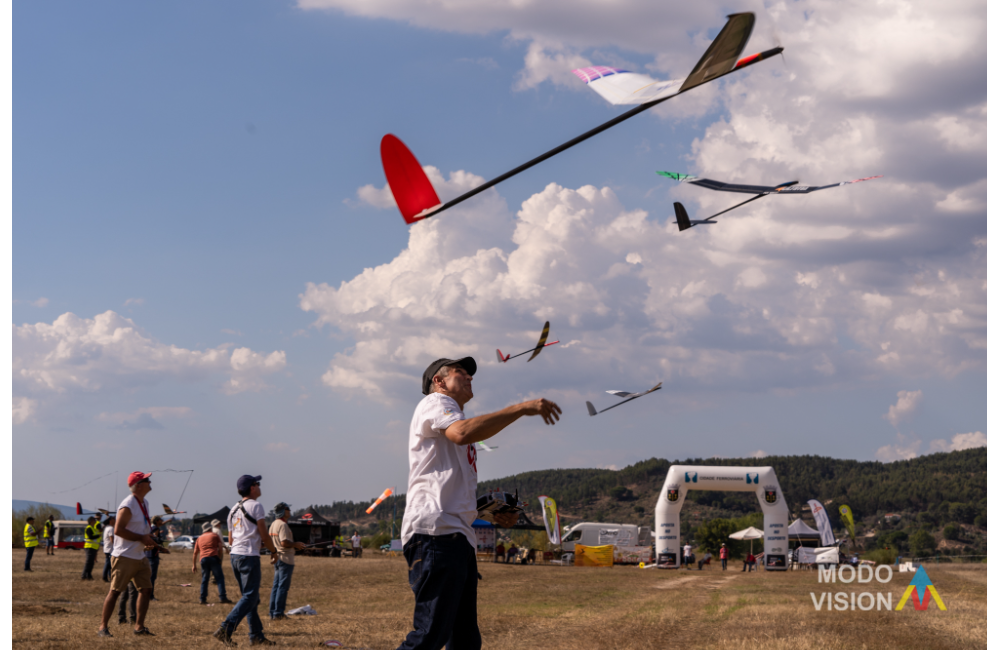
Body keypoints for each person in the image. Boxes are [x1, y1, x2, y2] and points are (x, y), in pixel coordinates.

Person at [396, 357, 562, 650]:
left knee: (465, 640)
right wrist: (520, 408)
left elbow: (450, 486)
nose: (470, 377)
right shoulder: (437, 403)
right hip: (437, 533)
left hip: (455, 533)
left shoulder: (452, 414)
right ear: (439, 381)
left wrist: (490, 512)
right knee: (430, 634)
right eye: (461, 371)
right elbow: (461, 434)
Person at [98, 471, 169, 639]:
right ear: (138, 485)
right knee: (115, 591)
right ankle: (103, 627)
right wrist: (142, 538)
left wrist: (152, 541)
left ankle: (139, 627)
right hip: (124, 556)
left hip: (139, 556)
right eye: (146, 479)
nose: (150, 481)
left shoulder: (144, 503)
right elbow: (118, 530)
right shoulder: (128, 504)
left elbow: (140, 529)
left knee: (146, 590)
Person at [212, 475, 280, 647]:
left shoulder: (233, 509)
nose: (259, 486)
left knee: (250, 599)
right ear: (252, 488)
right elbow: (264, 533)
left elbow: (232, 539)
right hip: (249, 556)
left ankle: (256, 636)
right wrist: (273, 551)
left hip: (235, 556)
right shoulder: (256, 506)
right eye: (257, 484)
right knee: (250, 596)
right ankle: (226, 628)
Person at [269, 502, 307, 621]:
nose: (289, 511)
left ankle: (273, 612)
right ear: (282, 511)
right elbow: (284, 543)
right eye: (287, 509)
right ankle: (278, 613)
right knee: (282, 587)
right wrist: (296, 544)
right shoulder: (283, 525)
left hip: (277, 559)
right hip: (285, 559)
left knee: (276, 586)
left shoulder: (273, 524)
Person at [193, 522, 231, 606]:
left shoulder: (199, 538)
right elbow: (220, 548)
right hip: (213, 557)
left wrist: (194, 565)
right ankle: (222, 597)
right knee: (219, 578)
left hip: (203, 559)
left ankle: (202, 599)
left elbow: (195, 552)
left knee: (205, 579)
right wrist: (220, 558)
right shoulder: (214, 535)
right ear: (210, 528)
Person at [147, 517, 166, 600]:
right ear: (157, 521)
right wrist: (162, 549)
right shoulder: (156, 529)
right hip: (152, 555)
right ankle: (150, 596)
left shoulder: (150, 528)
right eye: (160, 520)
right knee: (152, 577)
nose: (162, 521)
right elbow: (154, 541)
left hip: (147, 554)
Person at [82, 516, 102, 581]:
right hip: (89, 547)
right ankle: (84, 575)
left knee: (91, 562)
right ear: (91, 521)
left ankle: (88, 575)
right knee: (88, 562)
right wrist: (97, 536)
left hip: (93, 547)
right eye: (94, 519)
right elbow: (90, 537)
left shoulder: (93, 528)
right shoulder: (89, 528)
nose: (95, 520)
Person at [102, 516, 116, 583]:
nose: (115, 520)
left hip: (107, 548)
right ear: (110, 520)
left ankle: (109, 576)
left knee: (109, 564)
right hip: (110, 549)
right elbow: (112, 540)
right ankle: (104, 577)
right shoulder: (111, 528)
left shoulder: (107, 528)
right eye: (114, 519)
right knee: (108, 564)